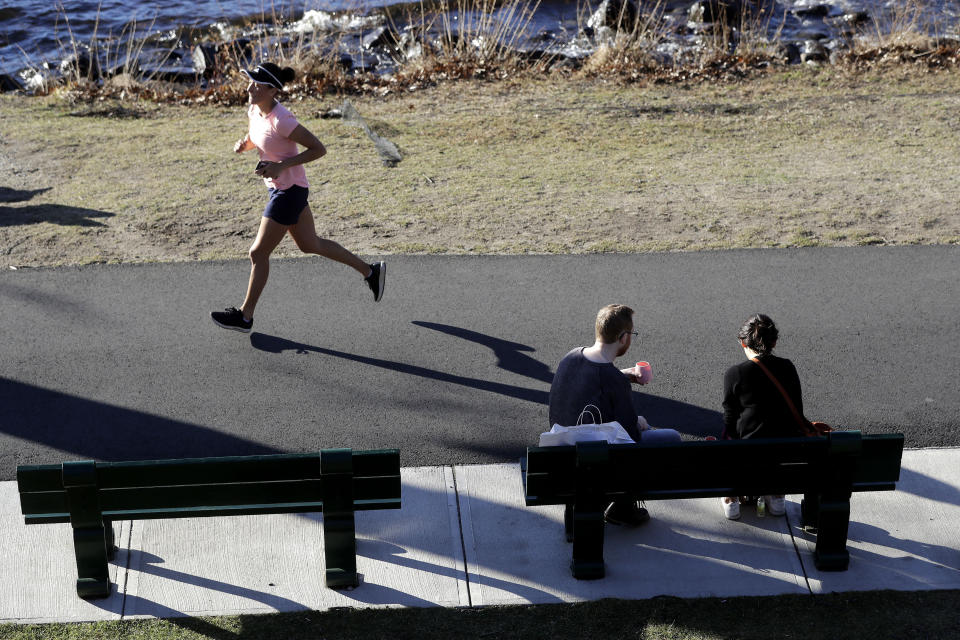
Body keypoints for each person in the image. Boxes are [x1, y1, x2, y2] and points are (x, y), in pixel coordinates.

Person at [211, 62, 385, 333]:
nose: (249, 87)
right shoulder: (254, 110)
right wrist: (245, 144)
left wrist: (281, 166)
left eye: (256, 84)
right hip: (280, 188)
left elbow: (318, 149)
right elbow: (258, 135)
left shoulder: (284, 119)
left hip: (289, 192)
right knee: (310, 244)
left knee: (257, 253)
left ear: (271, 90)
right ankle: (371, 272)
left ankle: (245, 317)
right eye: (250, 81)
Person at [548, 304, 682, 526]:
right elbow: (631, 437)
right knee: (671, 439)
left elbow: (593, 380)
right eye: (631, 335)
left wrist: (624, 374)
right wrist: (640, 423)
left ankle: (609, 506)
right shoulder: (614, 381)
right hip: (597, 464)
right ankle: (622, 507)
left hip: (563, 458)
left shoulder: (571, 357)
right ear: (622, 337)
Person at [720, 313, 803, 520]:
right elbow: (798, 413)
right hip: (784, 455)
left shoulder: (735, 373)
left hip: (748, 455)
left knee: (727, 440)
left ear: (742, 343)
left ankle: (732, 501)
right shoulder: (788, 367)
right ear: (774, 342)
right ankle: (776, 496)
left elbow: (730, 419)